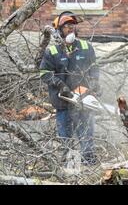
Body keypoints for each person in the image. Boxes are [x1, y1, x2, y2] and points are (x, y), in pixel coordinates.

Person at [39, 11, 100, 165]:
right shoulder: (52, 51)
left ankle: (89, 165)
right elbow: (44, 73)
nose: (70, 28)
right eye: (66, 26)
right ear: (59, 30)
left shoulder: (86, 47)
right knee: (65, 138)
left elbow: (94, 68)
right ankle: (67, 166)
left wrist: (93, 83)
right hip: (63, 103)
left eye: (72, 25)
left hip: (83, 102)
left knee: (86, 136)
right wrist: (60, 85)